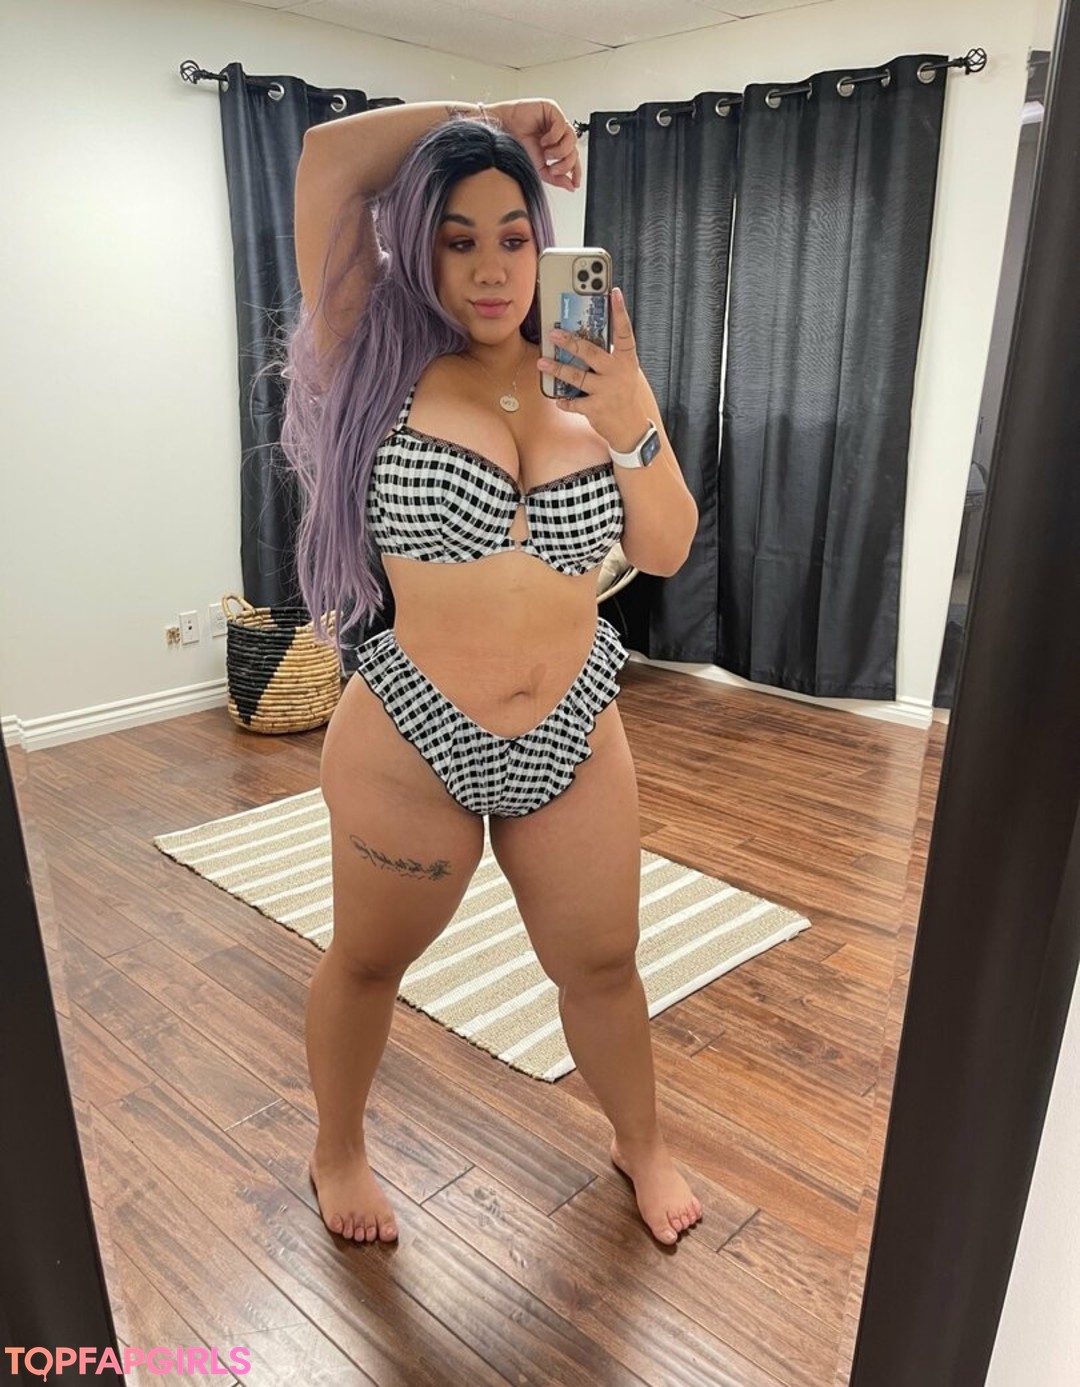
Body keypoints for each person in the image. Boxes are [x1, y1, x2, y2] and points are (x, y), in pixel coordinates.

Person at [281, 97, 702, 1247]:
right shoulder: (376, 353)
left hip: (574, 723)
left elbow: (666, 546)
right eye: (455, 238)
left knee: (603, 963)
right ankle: (337, 1150)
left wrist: (629, 413)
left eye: (514, 237)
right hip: (411, 734)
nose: (490, 268)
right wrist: (491, 118)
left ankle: (641, 1141)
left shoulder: (591, 375)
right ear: (417, 249)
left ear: (543, 242)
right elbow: (327, 158)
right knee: (370, 961)